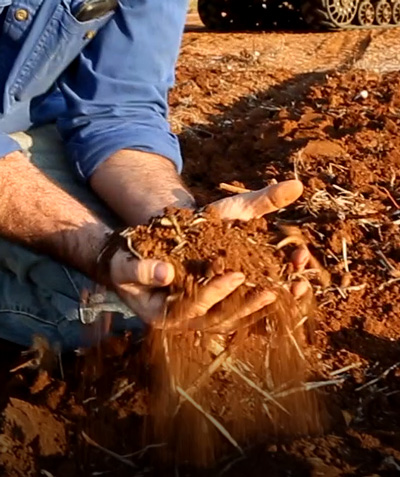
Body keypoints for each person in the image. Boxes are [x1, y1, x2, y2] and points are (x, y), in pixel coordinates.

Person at [0, 0, 310, 350]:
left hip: (25, 127)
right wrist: (98, 253)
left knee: (166, 303)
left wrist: (184, 231)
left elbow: (119, 111)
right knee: (87, 310)